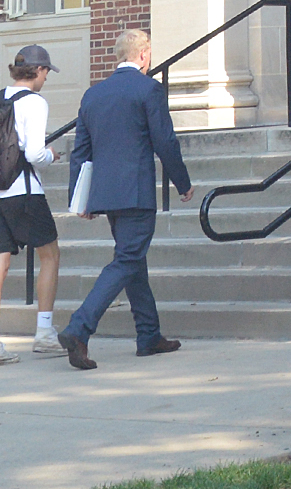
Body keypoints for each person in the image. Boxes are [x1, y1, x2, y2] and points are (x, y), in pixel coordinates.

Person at [60, 25, 191, 369]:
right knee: (127, 260)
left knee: (133, 259)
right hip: (136, 191)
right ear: (145, 55)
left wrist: (80, 197)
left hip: (105, 193)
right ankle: (79, 327)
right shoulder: (149, 90)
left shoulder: (93, 95)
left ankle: (148, 334)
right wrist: (183, 182)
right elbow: (165, 141)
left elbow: (80, 152)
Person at [0, 45, 61, 367]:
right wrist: (52, 156)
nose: (46, 78)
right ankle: (44, 333)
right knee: (50, 255)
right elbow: (35, 153)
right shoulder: (35, 103)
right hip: (24, 192)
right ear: (38, 72)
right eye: (46, 72)